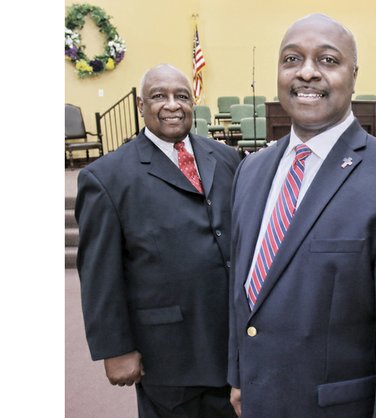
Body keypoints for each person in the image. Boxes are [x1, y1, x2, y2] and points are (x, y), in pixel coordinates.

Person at [227, 14, 376, 418]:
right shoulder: (251, 170)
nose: (307, 72)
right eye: (292, 59)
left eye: (328, 61)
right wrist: (239, 375)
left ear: (354, 74)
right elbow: (243, 288)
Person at [75, 64, 239, 418]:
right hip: (169, 354)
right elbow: (99, 273)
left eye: (182, 96)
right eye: (159, 96)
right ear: (139, 105)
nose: (172, 105)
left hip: (232, 344)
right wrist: (115, 348)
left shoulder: (226, 158)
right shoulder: (106, 177)